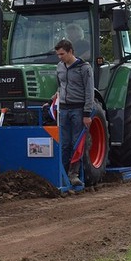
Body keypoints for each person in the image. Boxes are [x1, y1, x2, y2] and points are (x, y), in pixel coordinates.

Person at [48, 39, 94, 186]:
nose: (60, 57)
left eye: (62, 54)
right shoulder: (60, 67)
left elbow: (89, 92)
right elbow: (61, 85)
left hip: (78, 109)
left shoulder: (84, 68)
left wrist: (87, 114)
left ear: (70, 52)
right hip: (63, 109)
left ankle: (73, 174)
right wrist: (56, 95)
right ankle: (62, 173)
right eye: (58, 55)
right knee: (64, 143)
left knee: (77, 143)